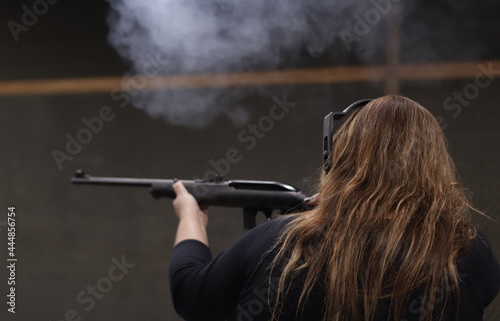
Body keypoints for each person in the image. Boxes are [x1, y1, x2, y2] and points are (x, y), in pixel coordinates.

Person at [169, 95, 500, 320]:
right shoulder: (470, 251)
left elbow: (190, 292)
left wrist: (191, 216)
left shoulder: (279, 242)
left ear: (338, 159)